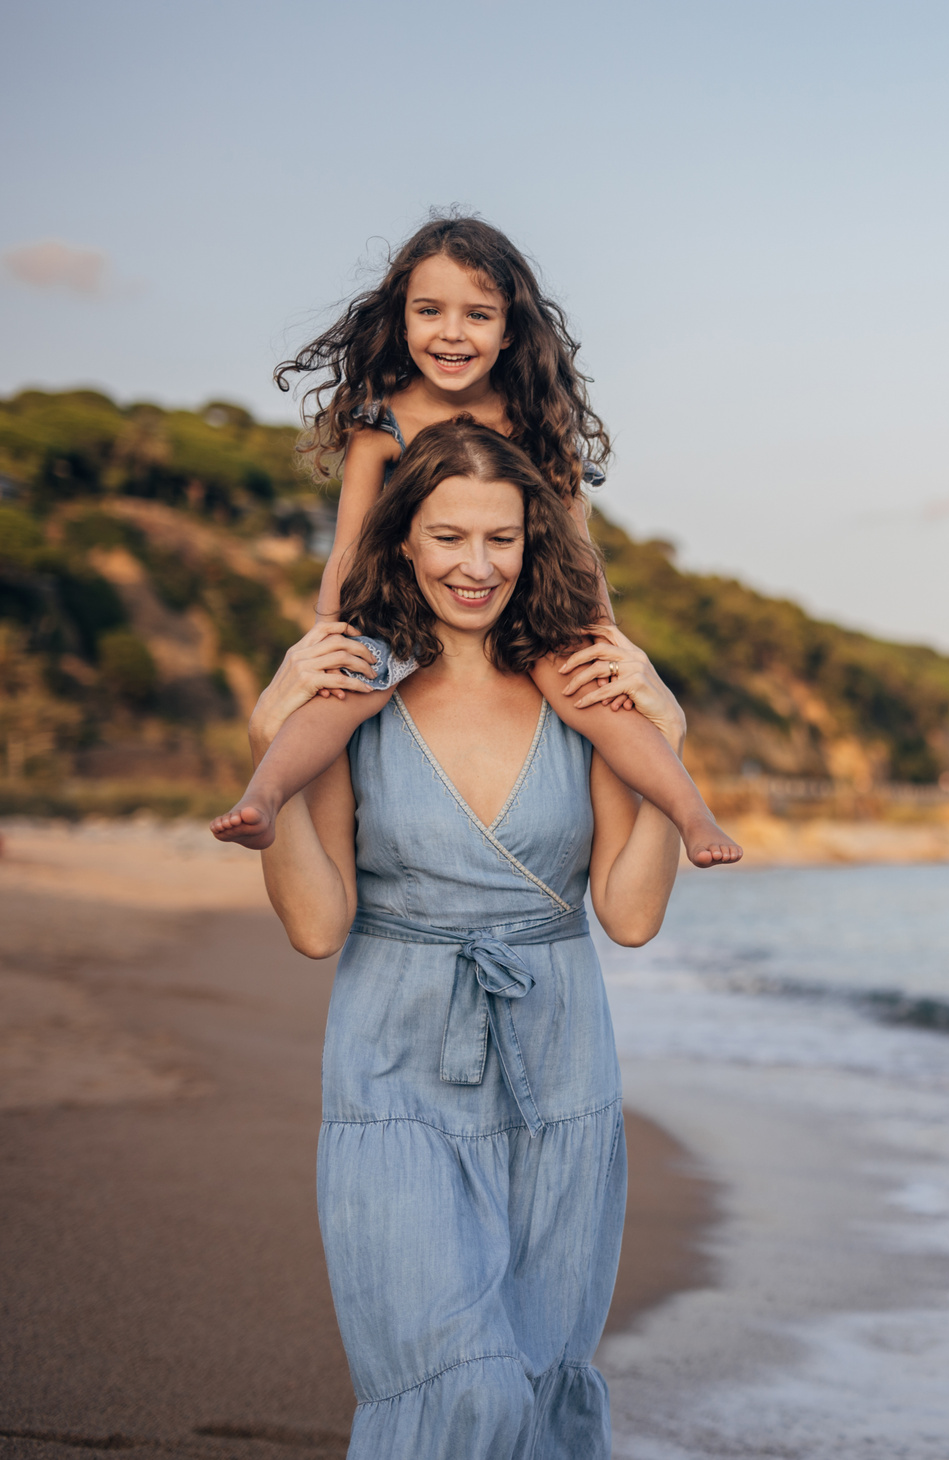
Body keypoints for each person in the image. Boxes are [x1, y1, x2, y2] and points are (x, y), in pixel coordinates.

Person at [253, 415, 690, 1457]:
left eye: (502, 538)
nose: (477, 564)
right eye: (450, 536)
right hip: (394, 1067)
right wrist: (269, 739)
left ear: (533, 544)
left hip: (558, 1075)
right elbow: (316, 923)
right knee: (470, 1386)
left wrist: (668, 747)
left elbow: (628, 913)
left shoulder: (579, 692)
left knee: (535, 1385)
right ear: (402, 537)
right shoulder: (351, 693)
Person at [210, 213, 737, 868]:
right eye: (430, 311)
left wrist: (605, 637)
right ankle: (264, 798)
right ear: (401, 319)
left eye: (478, 315)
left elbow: (577, 546)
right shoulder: (382, 421)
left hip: (525, 604)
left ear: (511, 329)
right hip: (397, 608)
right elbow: (347, 545)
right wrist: (328, 631)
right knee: (340, 697)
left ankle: (693, 815)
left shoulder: (536, 419)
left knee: (596, 701)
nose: (452, 333)